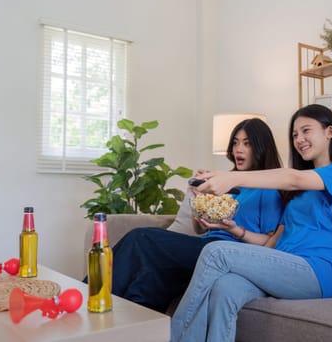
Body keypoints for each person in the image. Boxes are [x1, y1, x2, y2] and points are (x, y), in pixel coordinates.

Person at [170, 104, 332, 342]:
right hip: (285, 266)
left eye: (306, 131)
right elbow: (275, 240)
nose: (299, 139)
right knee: (225, 287)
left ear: (329, 132)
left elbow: (293, 178)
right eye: (295, 135)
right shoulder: (298, 196)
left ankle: (171, 337)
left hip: (318, 271)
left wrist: (231, 177)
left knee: (215, 252)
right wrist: (236, 231)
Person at [96, 118, 285, 313]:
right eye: (235, 142)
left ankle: (91, 297)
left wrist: (236, 230)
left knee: (140, 238)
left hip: (226, 255)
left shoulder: (268, 189)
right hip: (206, 245)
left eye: (247, 144)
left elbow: (269, 243)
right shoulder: (226, 182)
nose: (238, 149)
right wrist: (200, 202)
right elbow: (201, 228)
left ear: (261, 147)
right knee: (148, 280)